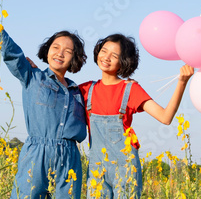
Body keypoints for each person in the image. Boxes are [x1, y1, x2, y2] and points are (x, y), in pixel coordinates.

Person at [0, 0, 88, 199]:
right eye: (55, 47)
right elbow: (9, 49)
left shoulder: (80, 92)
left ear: (74, 59)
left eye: (67, 51)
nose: (60, 53)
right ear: (47, 49)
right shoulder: (32, 77)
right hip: (36, 154)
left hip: (69, 158)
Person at [80, 34, 194, 199]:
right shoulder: (85, 90)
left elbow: (165, 117)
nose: (106, 57)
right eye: (104, 51)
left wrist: (182, 82)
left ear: (124, 61)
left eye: (114, 55)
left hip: (125, 168)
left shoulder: (130, 89)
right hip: (97, 168)